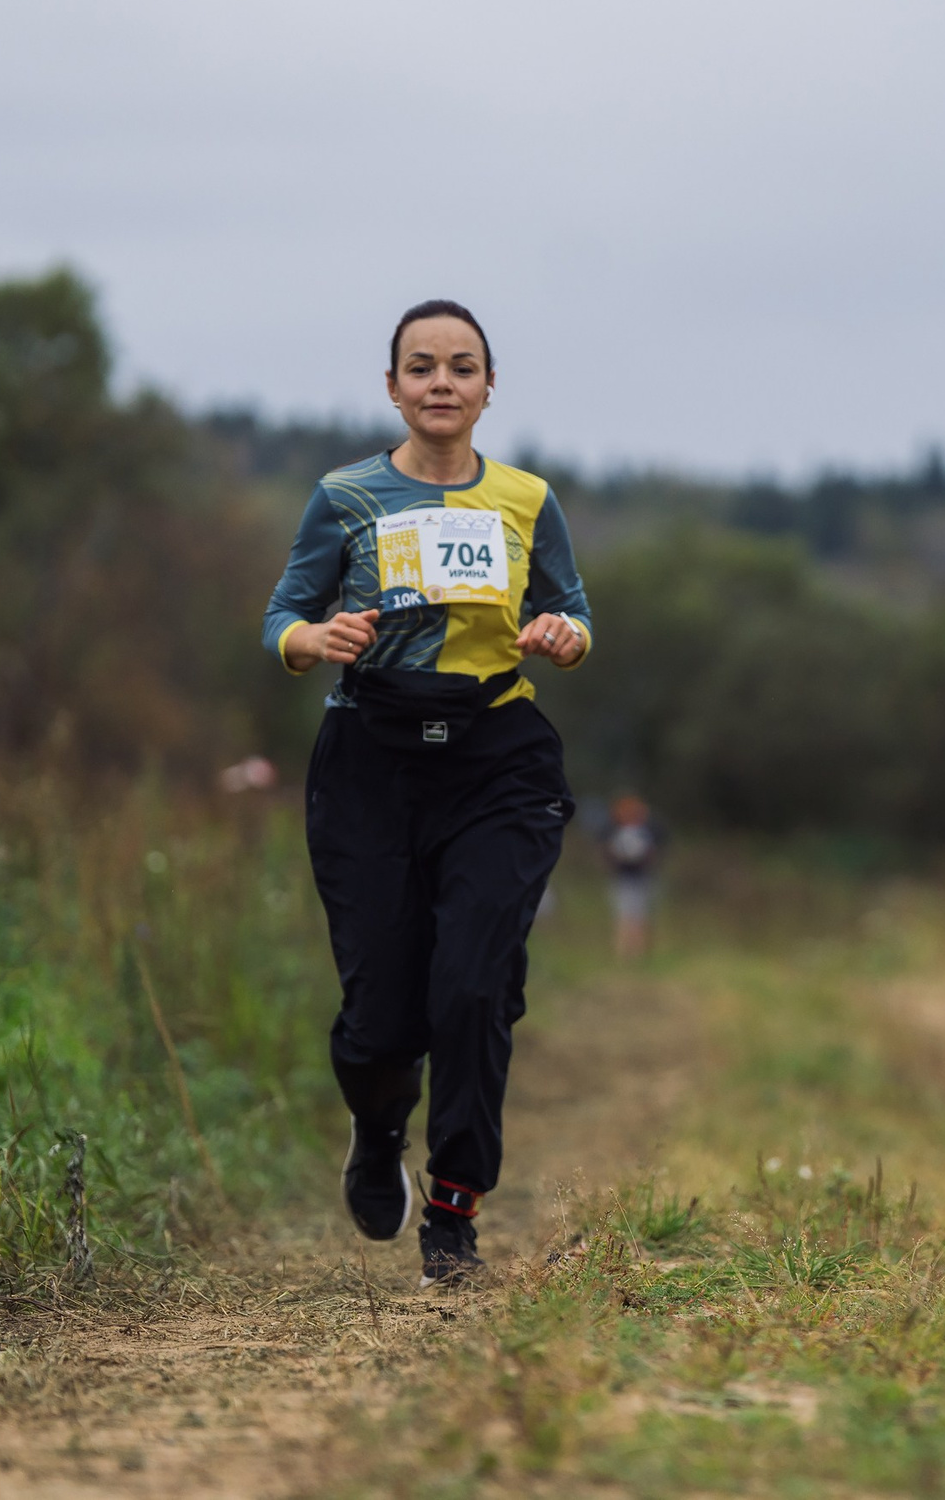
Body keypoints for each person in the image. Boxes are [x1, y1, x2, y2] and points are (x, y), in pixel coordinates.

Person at [262, 298, 592, 1286]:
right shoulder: (345, 496)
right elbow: (286, 609)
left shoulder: (527, 499)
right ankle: (375, 1125)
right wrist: (309, 641)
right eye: (421, 367)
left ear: (489, 389)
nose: (441, 382)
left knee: (471, 986)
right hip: (371, 757)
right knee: (379, 1018)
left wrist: (566, 637)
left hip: (497, 758)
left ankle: (454, 1214)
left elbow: (569, 608)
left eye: (461, 367)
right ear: (394, 388)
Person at [601, 794, 662, 960]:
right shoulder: (613, 830)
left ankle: (638, 953)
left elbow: (655, 853)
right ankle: (622, 953)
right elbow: (608, 853)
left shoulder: (648, 831)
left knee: (640, 915)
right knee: (622, 915)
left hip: (642, 877)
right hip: (621, 877)